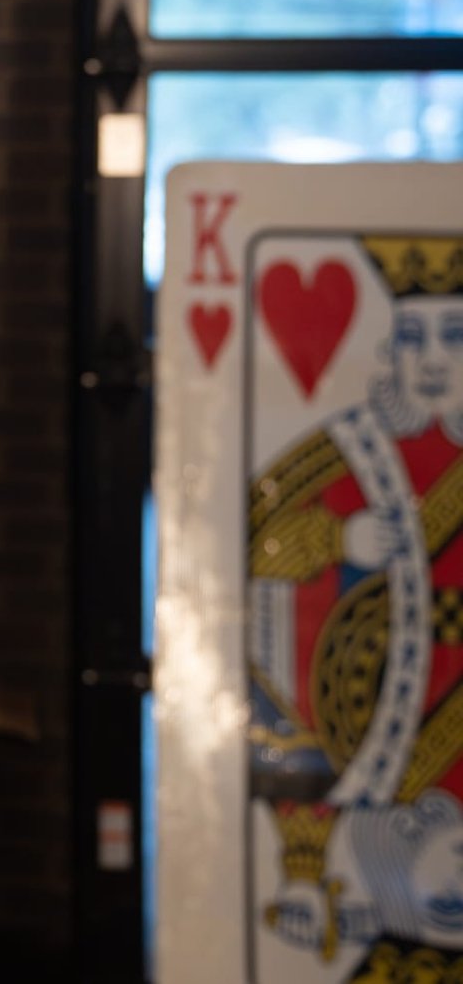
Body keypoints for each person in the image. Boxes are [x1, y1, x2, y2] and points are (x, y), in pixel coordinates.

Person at [248, 236, 463, 966]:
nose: (432, 358)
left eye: (453, 335)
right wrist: (340, 540)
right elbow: (249, 552)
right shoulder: (351, 453)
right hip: (376, 793)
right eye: (413, 337)